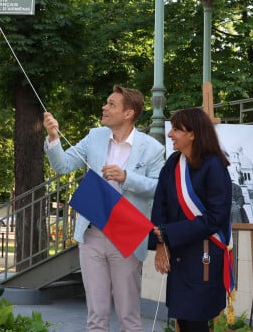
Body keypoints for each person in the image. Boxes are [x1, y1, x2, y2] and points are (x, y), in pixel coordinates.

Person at [43, 85, 165, 332]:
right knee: (96, 315)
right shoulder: (95, 136)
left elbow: (159, 188)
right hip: (92, 234)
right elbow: (63, 165)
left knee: (128, 315)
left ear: (128, 113)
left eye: (111, 104)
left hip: (127, 236)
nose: (104, 107)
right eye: (106, 102)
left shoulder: (153, 148)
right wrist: (54, 138)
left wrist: (126, 177)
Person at [149, 108, 233, 332]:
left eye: (176, 129)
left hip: (203, 256)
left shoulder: (214, 165)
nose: (170, 134)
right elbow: (160, 206)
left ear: (193, 134)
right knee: (183, 322)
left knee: (196, 323)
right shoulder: (174, 162)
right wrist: (160, 243)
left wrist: (169, 233)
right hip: (178, 255)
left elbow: (216, 217)